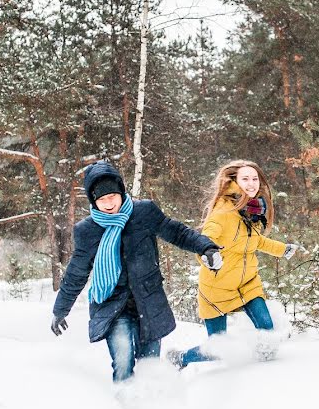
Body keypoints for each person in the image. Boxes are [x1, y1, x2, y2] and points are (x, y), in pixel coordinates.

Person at [50, 160, 222, 382]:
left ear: (121, 192)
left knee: (148, 366)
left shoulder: (144, 213)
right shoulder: (87, 230)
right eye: (102, 199)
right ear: (93, 201)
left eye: (112, 196)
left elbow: (176, 232)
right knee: (123, 360)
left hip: (148, 301)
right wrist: (60, 309)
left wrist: (206, 247)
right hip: (111, 304)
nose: (109, 203)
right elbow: (76, 273)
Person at [168, 160, 299, 368]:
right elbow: (204, 240)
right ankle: (181, 358)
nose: (251, 183)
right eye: (245, 178)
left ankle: (265, 373)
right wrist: (207, 253)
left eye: (254, 178)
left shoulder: (251, 210)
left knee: (267, 329)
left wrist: (283, 249)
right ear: (234, 181)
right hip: (216, 290)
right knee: (217, 349)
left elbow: (256, 241)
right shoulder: (223, 212)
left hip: (247, 284)